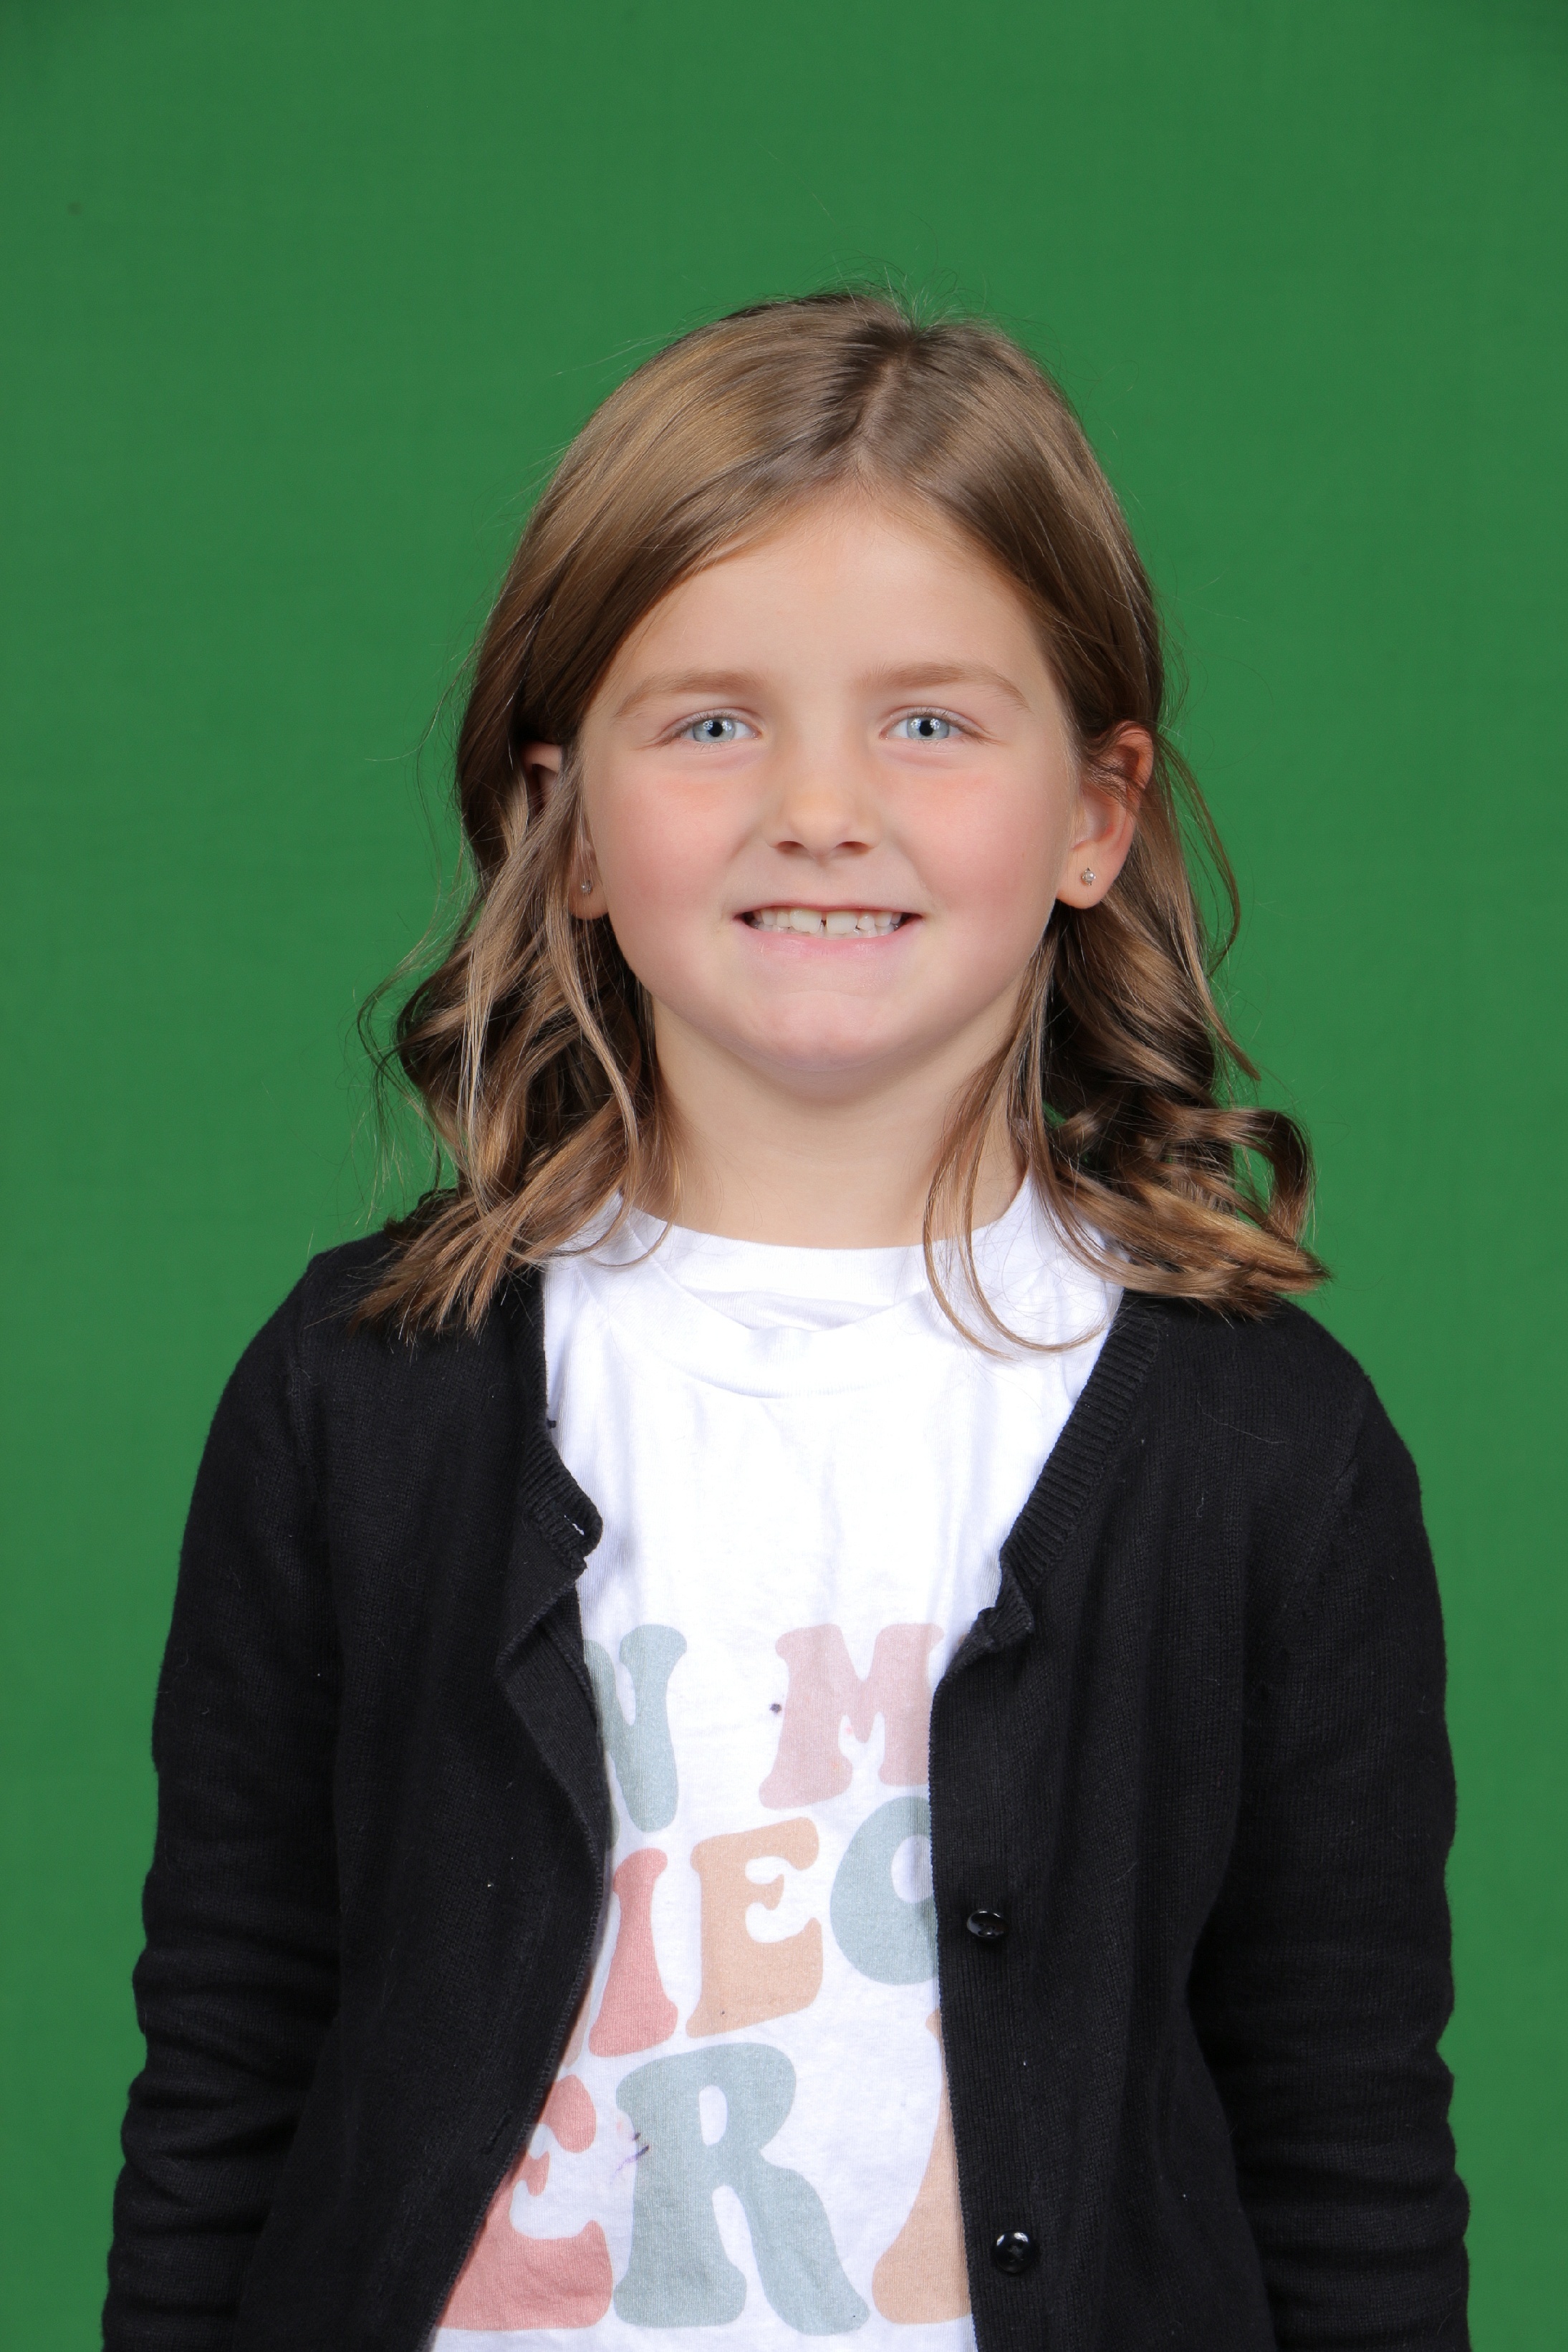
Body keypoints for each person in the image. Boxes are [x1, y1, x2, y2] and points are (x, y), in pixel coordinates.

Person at [105, 292, 1468, 2351]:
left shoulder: (1272, 1448)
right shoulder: (360, 1390)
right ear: (569, 826)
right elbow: (230, 2056)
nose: (822, 805)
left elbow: (1344, 2133)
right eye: (714, 723)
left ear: (1094, 814)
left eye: (929, 723)